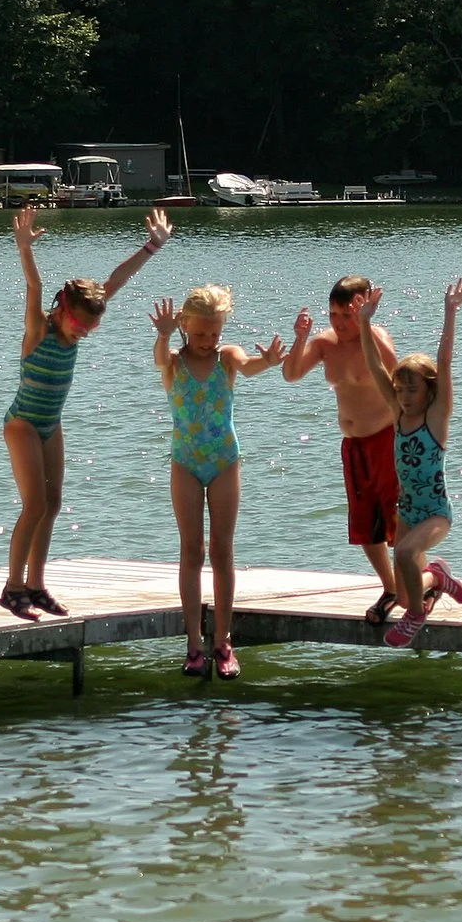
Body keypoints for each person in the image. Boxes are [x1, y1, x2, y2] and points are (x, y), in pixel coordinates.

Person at [0, 203, 173, 618]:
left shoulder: (82, 317)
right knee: (34, 505)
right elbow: (34, 287)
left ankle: (37, 585)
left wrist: (153, 246)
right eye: (80, 325)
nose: (84, 332)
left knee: (54, 503)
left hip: (50, 424)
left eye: (91, 328)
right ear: (62, 311)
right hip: (22, 423)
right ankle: (12, 587)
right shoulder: (39, 329)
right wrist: (24, 247)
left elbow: (115, 279)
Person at [150, 284, 286, 678]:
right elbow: (160, 358)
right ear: (184, 327)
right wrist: (162, 334)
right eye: (200, 334)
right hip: (185, 463)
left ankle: (223, 642)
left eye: (215, 333)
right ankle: (194, 642)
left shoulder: (227, 358)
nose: (208, 341)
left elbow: (248, 365)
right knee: (191, 550)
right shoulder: (173, 362)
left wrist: (270, 361)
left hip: (225, 461)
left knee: (221, 550)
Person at [352, 278, 462, 648]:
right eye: (400, 389)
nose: (404, 396)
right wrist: (364, 323)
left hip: (436, 512)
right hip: (407, 511)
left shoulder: (435, 417)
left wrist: (450, 313)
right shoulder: (398, 413)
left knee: (404, 554)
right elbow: (375, 367)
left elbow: (445, 361)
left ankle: (419, 612)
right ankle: (437, 579)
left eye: (413, 389)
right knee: (404, 595)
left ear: (429, 392)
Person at [282, 275, 406, 624]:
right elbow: (291, 375)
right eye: (334, 315)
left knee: (397, 518)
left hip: (385, 439)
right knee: (365, 523)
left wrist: (365, 326)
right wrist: (300, 338)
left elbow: (400, 381)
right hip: (353, 446)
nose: (339, 323)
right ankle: (391, 587)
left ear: (364, 310)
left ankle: (417, 582)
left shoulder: (376, 339)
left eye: (348, 316)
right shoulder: (325, 343)